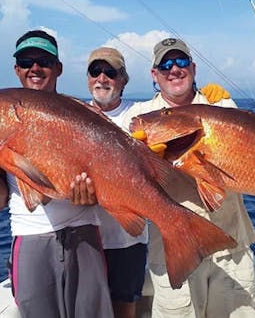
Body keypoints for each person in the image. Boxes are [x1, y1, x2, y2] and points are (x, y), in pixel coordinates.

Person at [122, 37, 255, 317]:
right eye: (165, 64)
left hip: (231, 249)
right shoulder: (138, 117)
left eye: (180, 62)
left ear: (193, 68)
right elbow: (117, 168)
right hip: (173, 253)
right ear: (154, 75)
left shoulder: (221, 105)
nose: (174, 69)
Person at [0, 30, 113, 318]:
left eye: (44, 61)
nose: (35, 68)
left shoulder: (81, 113)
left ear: (58, 68)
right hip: (30, 235)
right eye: (26, 61)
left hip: (85, 233)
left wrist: (93, 197)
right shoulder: (1, 118)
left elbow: (108, 176)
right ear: (17, 70)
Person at [85, 47, 148, 318]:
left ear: (123, 79)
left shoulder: (141, 113)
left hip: (127, 240)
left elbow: (176, 105)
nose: (102, 78)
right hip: (85, 236)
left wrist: (207, 95)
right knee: (86, 307)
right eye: (95, 71)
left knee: (124, 305)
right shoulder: (74, 114)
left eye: (110, 72)